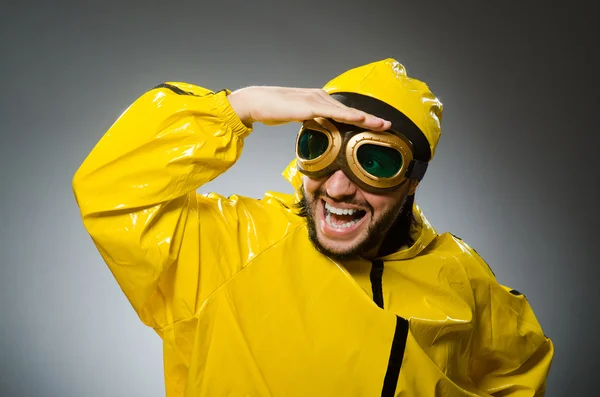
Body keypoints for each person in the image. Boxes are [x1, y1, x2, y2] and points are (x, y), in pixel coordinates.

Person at [73, 58, 554, 396]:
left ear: (411, 181)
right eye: (320, 148)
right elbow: (111, 190)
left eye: (376, 160)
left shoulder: (461, 279)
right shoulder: (233, 245)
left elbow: (518, 374)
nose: (339, 187)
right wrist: (235, 109)